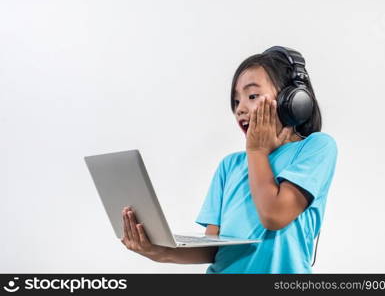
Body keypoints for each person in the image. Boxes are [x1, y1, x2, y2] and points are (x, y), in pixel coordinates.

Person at [120, 46, 338, 273]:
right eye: (236, 101)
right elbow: (214, 248)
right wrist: (160, 252)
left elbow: (274, 215)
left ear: (292, 101)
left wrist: (256, 151)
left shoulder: (316, 147)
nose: (241, 109)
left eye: (252, 96)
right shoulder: (229, 166)